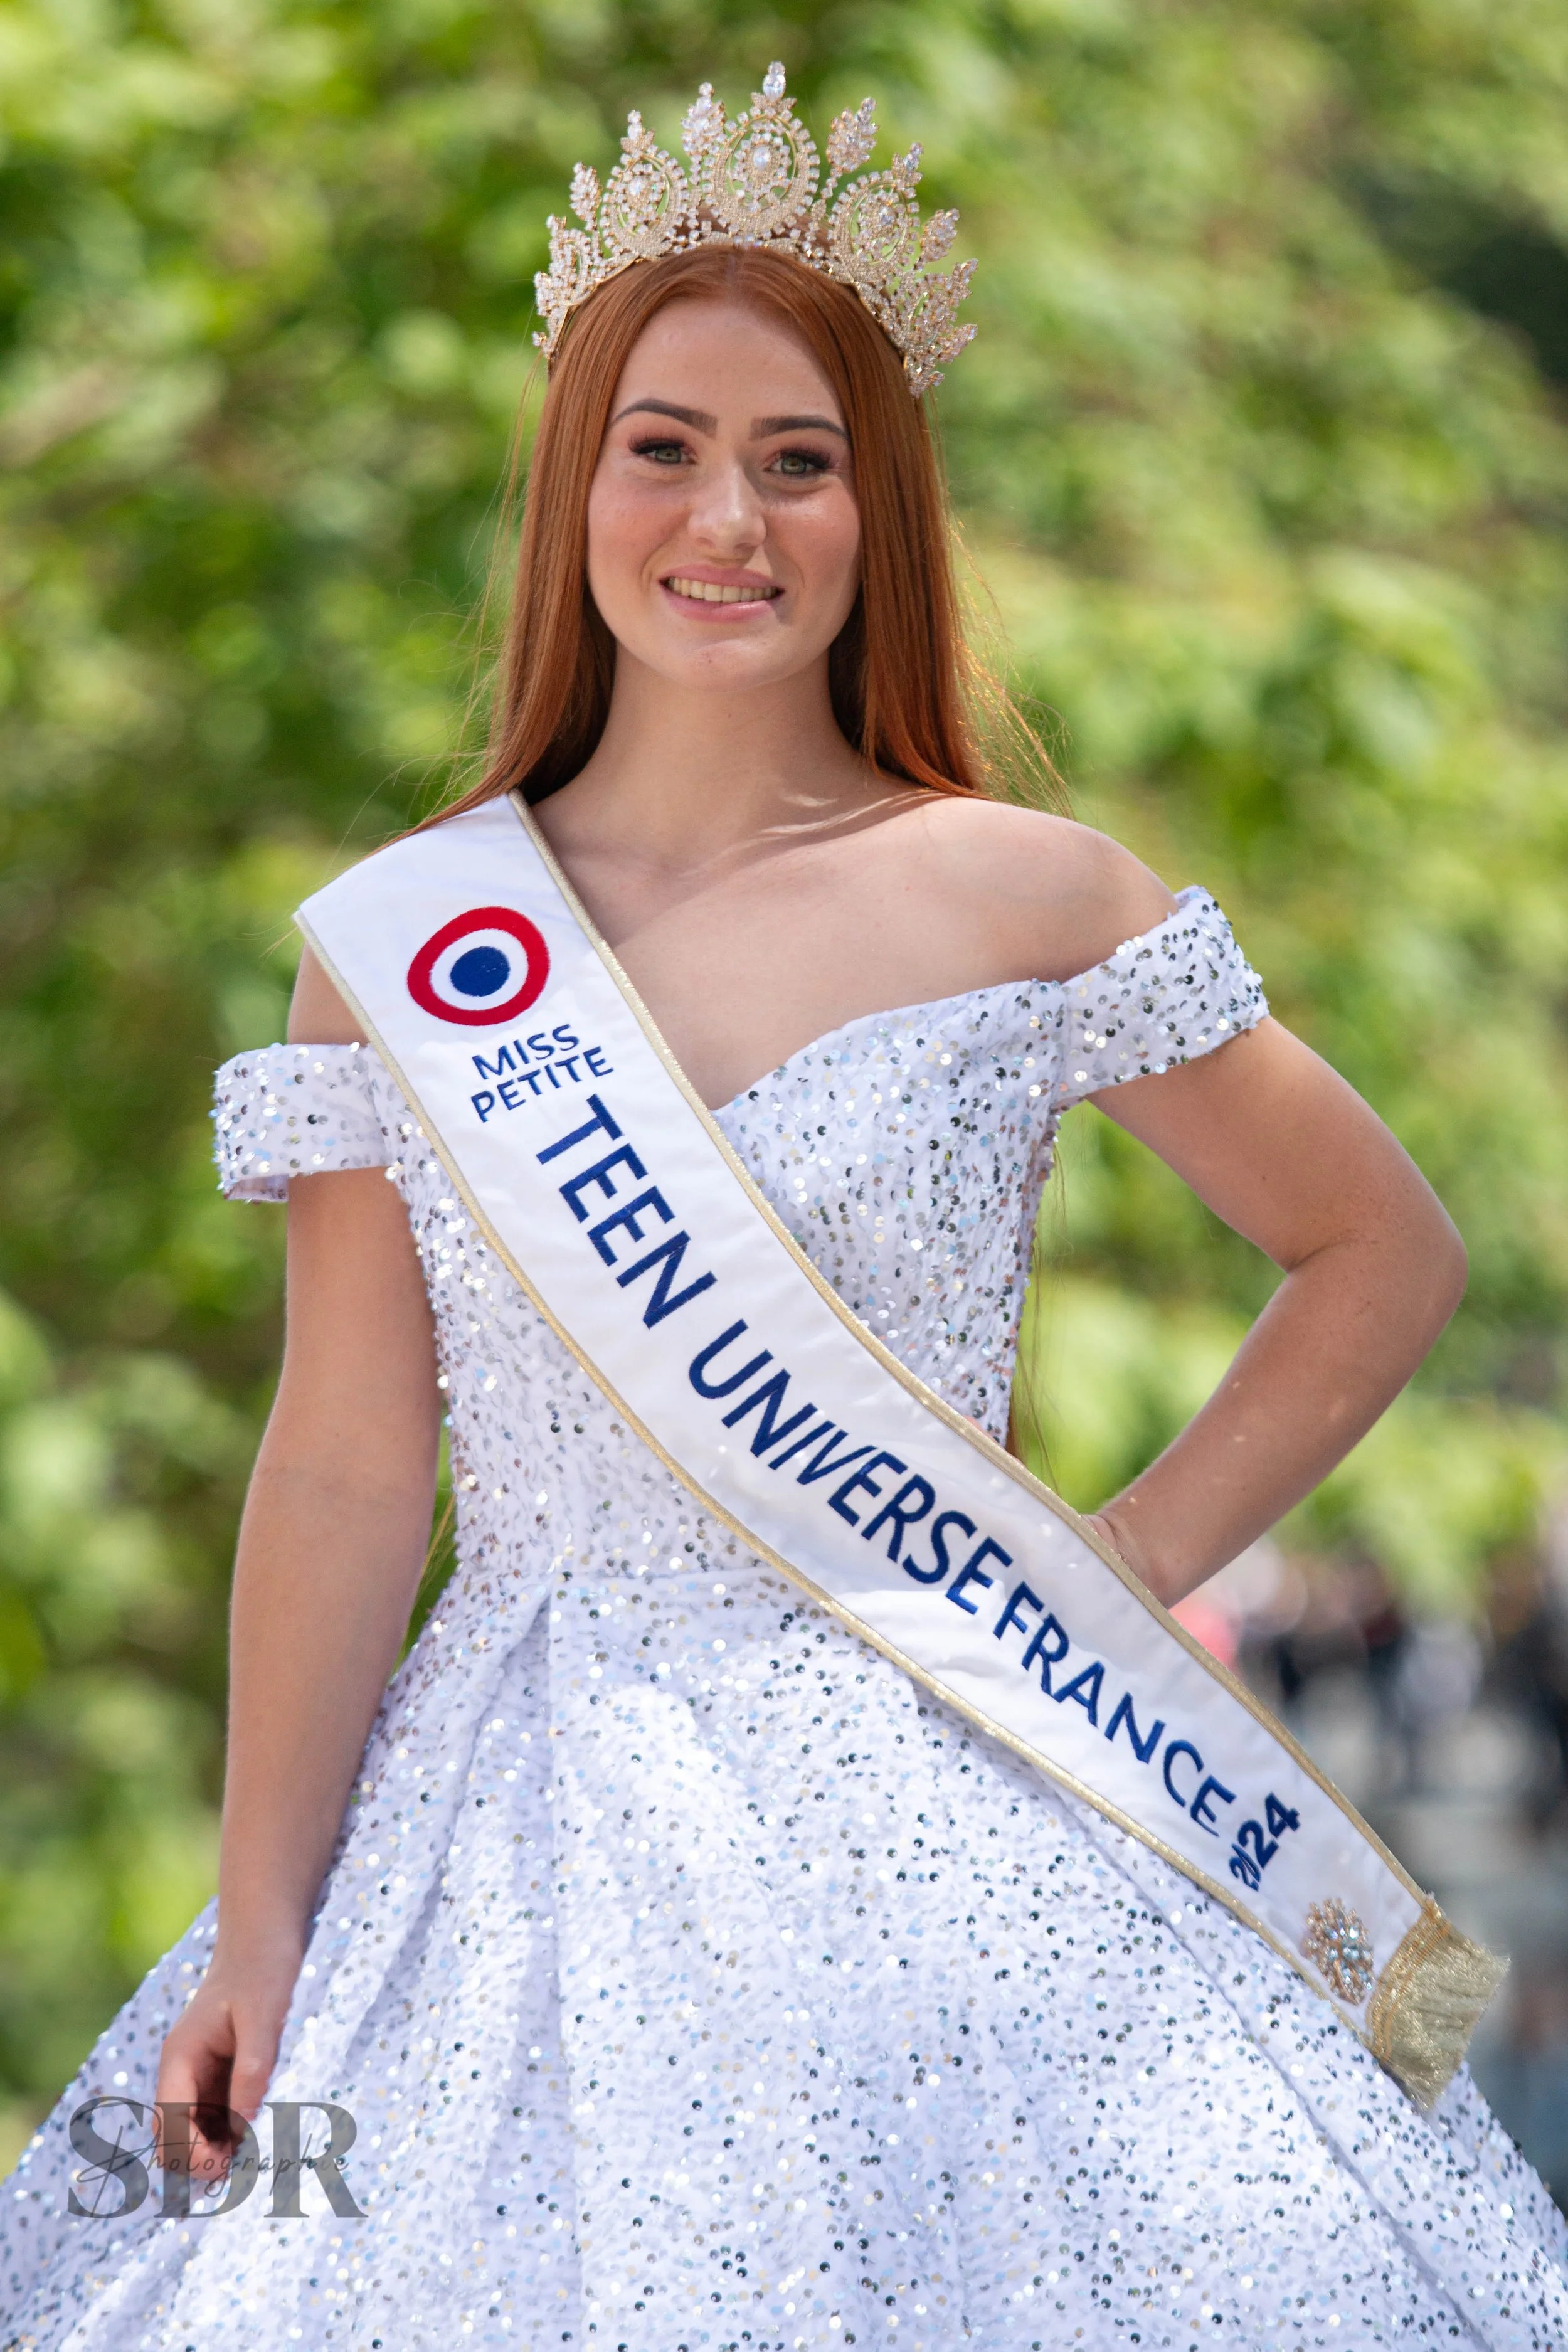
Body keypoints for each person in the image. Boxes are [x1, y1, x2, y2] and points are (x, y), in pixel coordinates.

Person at [4, 68, 1564, 2352]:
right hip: (510, 1826)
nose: (725, 514)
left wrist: (1111, 1567)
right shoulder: (410, 944)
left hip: (972, 1773)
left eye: (796, 456)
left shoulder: (1021, 890)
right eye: (662, 444)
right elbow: (342, 1466)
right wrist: (262, 1927)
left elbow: (1379, 1251)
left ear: (875, 504)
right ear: (574, 486)